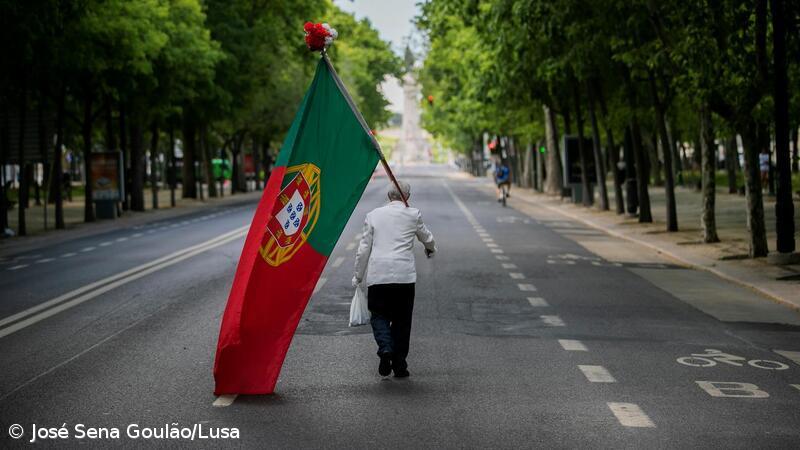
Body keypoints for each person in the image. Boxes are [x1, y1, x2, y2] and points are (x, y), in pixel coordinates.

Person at [353, 180, 436, 378]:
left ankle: (385, 348)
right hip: (404, 277)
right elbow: (427, 238)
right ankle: (399, 364)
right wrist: (430, 249)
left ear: (389, 196)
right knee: (402, 321)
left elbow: (363, 249)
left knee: (379, 315)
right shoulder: (413, 214)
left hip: (378, 276)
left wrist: (358, 275)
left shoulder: (373, 215)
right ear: (407, 197)